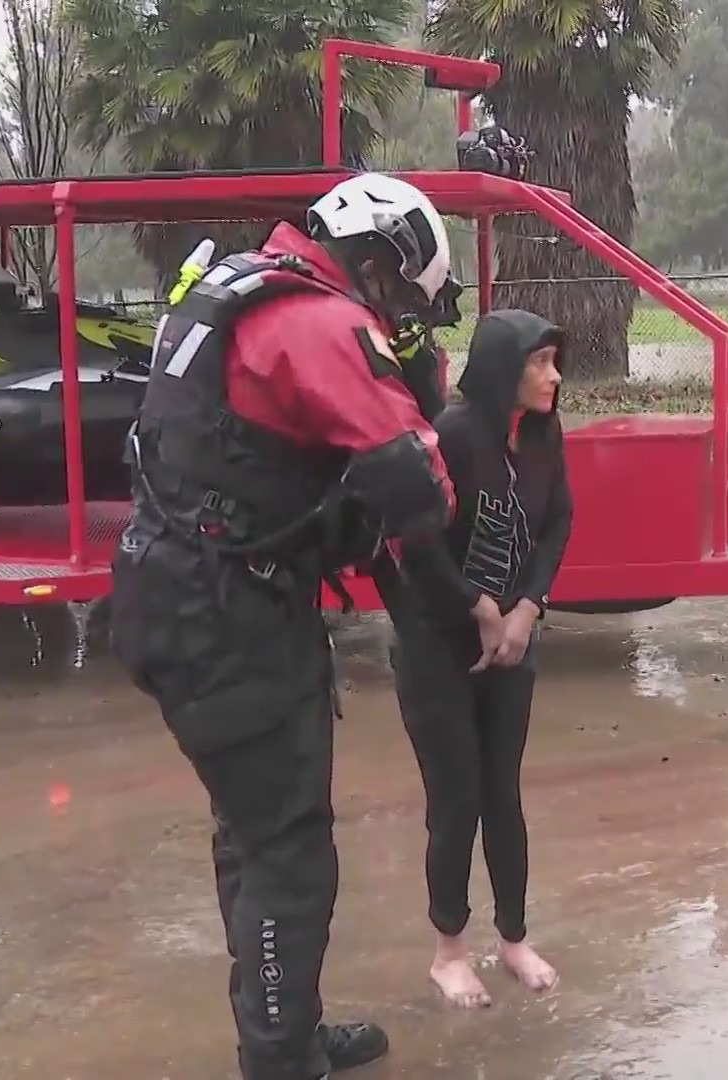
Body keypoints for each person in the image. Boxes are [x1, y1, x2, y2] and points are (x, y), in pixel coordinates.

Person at [108, 172, 464, 1080]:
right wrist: (423, 392)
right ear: (380, 261)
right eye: (408, 306)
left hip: (179, 593)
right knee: (288, 854)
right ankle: (280, 1058)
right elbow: (419, 484)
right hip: (226, 615)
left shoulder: (231, 287)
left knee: (254, 830)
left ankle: (286, 1032)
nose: (403, 325)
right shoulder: (316, 322)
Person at [372, 309, 572, 1009]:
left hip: (512, 642)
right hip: (440, 646)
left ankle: (513, 938)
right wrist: (478, 607)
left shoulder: (544, 435)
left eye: (554, 361)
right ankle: (448, 950)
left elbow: (557, 523)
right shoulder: (452, 436)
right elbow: (416, 543)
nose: (554, 376)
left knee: (502, 796)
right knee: (455, 801)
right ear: (501, 369)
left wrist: (527, 608)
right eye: (540, 362)